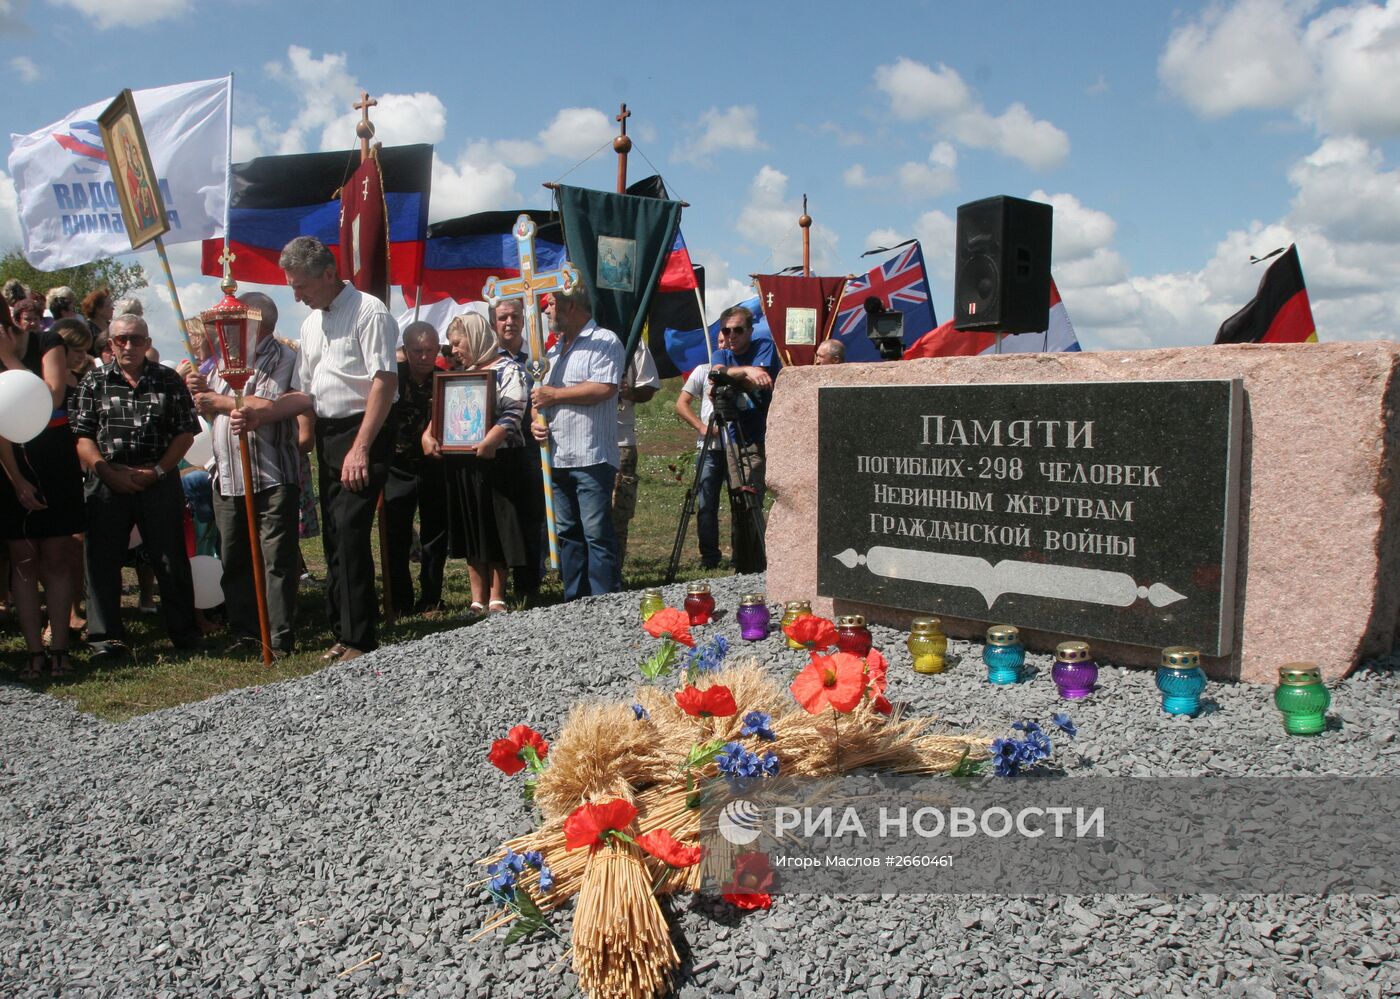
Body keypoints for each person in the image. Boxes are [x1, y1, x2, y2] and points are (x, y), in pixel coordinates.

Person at [280, 236, 397, 663]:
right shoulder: (310, 324)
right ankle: (342, 630)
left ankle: (361, 638)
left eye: (301, 286)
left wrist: (361, 447)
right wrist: (262, 412)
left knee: (349, 530)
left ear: (328, 274)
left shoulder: (370, 311)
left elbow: (384, 382)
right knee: (332, 533)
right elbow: (306, 391)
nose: (296, 295)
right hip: (329, 431)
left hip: (364, 428)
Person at [185, 292, 310, 659]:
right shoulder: (223, 361)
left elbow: (264, 405)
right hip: (227, 475)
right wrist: (202, 393)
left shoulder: (284, 358)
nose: (229, 332)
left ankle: (279, 635)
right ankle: (244, 632)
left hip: (270, 473)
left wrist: (218, 401)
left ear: (259, 324)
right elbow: (214, 413)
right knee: (234, 555)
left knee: (276, 558)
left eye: (237, 324)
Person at [71, 313, 200, 659]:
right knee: (100, 562)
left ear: (148, 343)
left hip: (157, 479)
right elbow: (82, 437)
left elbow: (185, 433)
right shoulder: (93, 382)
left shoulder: (169, 380)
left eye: (136, 339)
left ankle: (185, 634)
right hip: (106, 482)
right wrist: (107, 472)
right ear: (110, 344)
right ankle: (105, 639)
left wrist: (157, 471)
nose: (129, 345)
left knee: (170, 559)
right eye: (121, 339)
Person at [0, 297, 86, 679]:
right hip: (9, 464)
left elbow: (50, 397)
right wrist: (16, 480)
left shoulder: (47, 342)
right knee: (22, 560)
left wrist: (10, 362)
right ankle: (34, 653)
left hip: (54, 458)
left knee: (57, 556)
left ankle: (61, 650)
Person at [429, 313, 529, 615]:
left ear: (475, 338)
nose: (454, 351)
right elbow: (443, 412)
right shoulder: (460, 375)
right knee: (471, 527)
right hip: (464, 462)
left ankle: (497, 596)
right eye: (452, 345)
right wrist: (429, 434)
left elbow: (514, 412)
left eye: (458, 344)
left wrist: (491, 440)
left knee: (496, 527)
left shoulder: (509, 369)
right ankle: (477, 598)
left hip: (499, 459)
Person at [529, 285, 624, 600]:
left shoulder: (604, 342)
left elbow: (604, 388)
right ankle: (575, 602)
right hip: (557, 457)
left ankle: (604, 600)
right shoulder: (553, 353)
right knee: (568, 533)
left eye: (552, 304)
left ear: (571, 306)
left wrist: (555, 394)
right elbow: (538, 398)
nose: (546, 310)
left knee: (596, 533)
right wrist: (535, 422)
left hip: (591, 456)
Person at [384, 321, 447, 616]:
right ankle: (400, 601)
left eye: (429, 350)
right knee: (396, 534)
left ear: (437, 349)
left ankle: (431, 598)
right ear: (406, 351)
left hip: (436, 466)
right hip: (397, 466)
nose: (424, 356)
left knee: (435, 535)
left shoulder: (447, 381)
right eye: (417, 350)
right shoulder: (392, 381)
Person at [709, 305, 780, 568]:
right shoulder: (722, 353)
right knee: (737, 498)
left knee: (753, 496)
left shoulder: (763, 346)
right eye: (726, 330)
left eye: (738, 330)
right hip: (733, 438)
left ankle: (758, 558)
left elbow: (758, 381)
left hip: (758, 436)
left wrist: (737, 376)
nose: (731, 335)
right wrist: (746, 372)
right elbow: (716, 372)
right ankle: (742, 559)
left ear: (749, 330)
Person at [492, 298, 545, 599]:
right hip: (498, 451)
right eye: (502, 318)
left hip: (530, 448)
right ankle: (497, 588)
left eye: (514, 316)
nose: (509, 322)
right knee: (502, 517)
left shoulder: (539, 360)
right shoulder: (487, 361)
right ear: (493, 322)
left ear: (524, 320)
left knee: (530, 515)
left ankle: (528, 585)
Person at [612, 339, 660, 566]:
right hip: (580, 442)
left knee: (618, 514)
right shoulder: (570, 337)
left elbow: (648, 387)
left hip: (620, 441)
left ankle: (613, 572)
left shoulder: (632, 342)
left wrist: (629, 392)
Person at [675, 360, 724, 570]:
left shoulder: (743, 368)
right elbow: (681, 403)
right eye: (721, 338)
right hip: (709, 448)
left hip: (736, 445)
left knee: (743, 504)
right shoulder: (703, 370)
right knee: (706, 504)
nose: (727, 341)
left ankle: (745, 556)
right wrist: (701, 426)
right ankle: (709, 557)